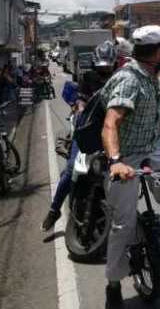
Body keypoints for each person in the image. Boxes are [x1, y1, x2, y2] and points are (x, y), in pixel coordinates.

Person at [101, 25, 160, 309]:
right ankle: (113, 285)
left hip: (152, 148)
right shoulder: (129, 80)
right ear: (158, 52)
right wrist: (115, 161)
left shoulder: (152, 77)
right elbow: (111, 122)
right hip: (126, 157)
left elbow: (153, 113)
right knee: (123, 225)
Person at [41, 41, 118, 232]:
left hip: (113, 133)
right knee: (72, 170)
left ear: (114, 64)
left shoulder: (119, 80)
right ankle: (54, 209)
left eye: (108, 67)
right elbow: (81, 99)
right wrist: (81, 111)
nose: (104, 71)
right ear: (95, 65)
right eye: (101, 67)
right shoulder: (88, 77)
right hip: (87, 133)